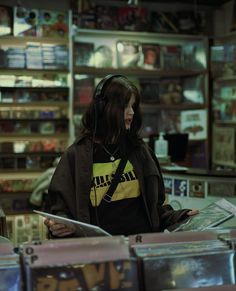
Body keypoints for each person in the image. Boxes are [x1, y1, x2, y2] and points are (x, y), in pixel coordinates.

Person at [44, 74, 198, 237]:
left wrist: (181, 217)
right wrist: (60, 225)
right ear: (104, 107)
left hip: (140, 247)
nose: (131, 112)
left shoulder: (140, 151)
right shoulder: (75, 156)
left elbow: (156, 209)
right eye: (125, 106)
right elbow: (59, 211)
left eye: (133, 106)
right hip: (99, 252)